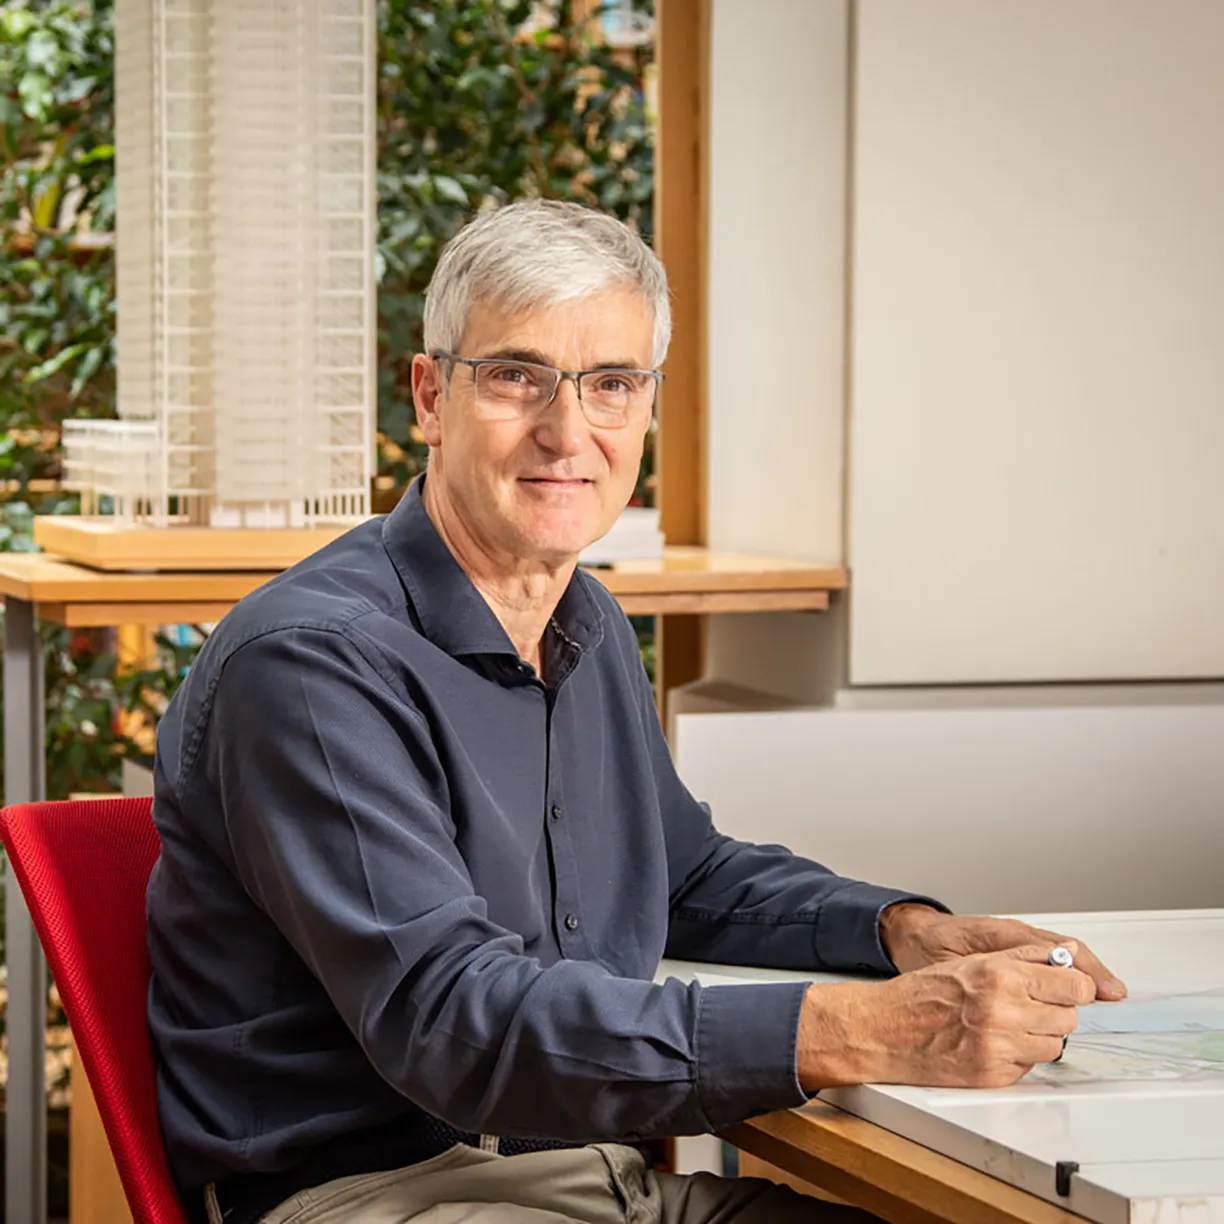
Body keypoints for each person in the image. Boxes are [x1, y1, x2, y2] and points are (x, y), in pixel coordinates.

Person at [147, 200, 1127, 1224]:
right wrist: (864, 1027)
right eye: (517, 376)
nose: (567, 432)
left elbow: (683, 876)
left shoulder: (583, 618)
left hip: (593, 1179)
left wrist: (901, 934)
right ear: (430, 397)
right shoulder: (312, 664)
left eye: (612, 385)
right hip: (374, 1199)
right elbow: (451, 1021)